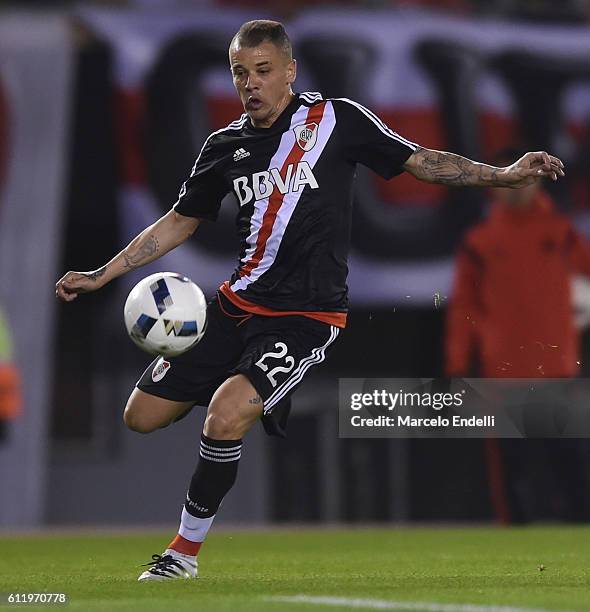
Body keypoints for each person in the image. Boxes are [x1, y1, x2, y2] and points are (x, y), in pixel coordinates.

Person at [55, 20, 564, 581]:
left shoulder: (335, 120)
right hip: (234, 305)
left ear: (290, 71)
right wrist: (104, 274)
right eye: (240, 74)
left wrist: (504, 175)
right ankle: (246, 393)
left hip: (304, 316)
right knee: (140, 416)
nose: (251, 84)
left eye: (263, 71)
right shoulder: (224, 146)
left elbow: (420, 160)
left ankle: (181, 554)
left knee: (224, 417)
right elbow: (180, 221)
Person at [445, 147, 589, 522]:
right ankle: (514, 563)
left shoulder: (561, 233)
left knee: (574, 475)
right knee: (513, 480)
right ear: (496, 184)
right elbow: (464, 309)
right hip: (505, 375)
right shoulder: (480, 243)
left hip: (558, 371)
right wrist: (458, 366)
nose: (518, 188)